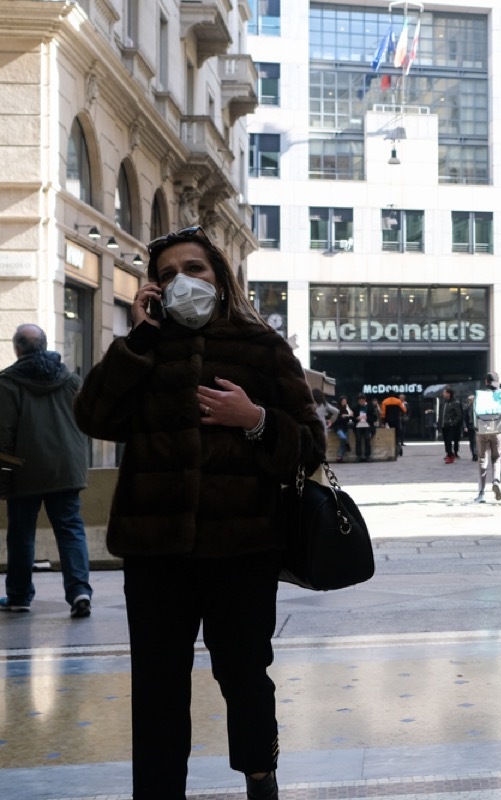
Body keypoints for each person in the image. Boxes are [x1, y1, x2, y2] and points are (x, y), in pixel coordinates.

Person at [73, 225, 325, 800]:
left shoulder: (261, 345)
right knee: (158, 686)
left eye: (195, 268)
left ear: (220, 276)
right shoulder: (145, 346)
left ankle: (260, 774)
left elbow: (311, 444)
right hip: (154, 549)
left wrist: (254, 418)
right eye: (167, 274)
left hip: (244, 550)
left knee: (243, 675)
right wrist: (135, 340)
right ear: (153, 289)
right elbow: (93, 418)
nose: (182, 281)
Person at [0, 324, 93, 617]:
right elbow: (86, 420)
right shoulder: (71, 380)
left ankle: (19, 596)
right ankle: (79, 591)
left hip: (24, 470)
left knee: (21, 533)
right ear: (44, 345)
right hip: (66, 469)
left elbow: (3, 432)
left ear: (17, 349)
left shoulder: (7, 383)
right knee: (70, 529)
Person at [473, 371, 501, 503]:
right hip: (498, 430)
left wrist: (476, 428)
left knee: (482, 459)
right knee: (497, 458)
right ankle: (496, 481)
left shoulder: (480, 394)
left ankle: (481, 493)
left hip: (481, 430)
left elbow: (474, 412)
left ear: (486, 382)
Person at [438, 387, 463, 464]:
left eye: (444, 392)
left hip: (451, 426)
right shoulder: (443, 403)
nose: (443, 394)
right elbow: (441, 414)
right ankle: (449, 454)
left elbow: (459, 415)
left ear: (449, 394)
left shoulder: (455, 403)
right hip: (444, 425)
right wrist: (439, 423)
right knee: (446, 441)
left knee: (449, 440)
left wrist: (453, 422)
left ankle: (450, 455)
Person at [353, 394, 376, 462]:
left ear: (365, 400)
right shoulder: (355, 407)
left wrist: (367, 418)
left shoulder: (370, 407)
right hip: (358, 426)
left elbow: (375, 418)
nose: (361, 402)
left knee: (367, 439)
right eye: (360, 400)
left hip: (368, 426)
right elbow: (351, 417)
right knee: (358, 439)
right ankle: (358, 456)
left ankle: (367, 456)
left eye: (362, 400)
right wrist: (357, 418)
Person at [332, 396, 352, 462]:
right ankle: (347, 442)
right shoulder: (337, 409)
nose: (344, 403)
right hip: (338, 427)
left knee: (342, 443)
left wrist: (347, 416)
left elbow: (349, 418)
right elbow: (334, 420)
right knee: (343, 438)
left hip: (345, 427)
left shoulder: (347, 409)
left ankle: (340, 456)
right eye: (343, 401)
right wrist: (341, 417)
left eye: (345, 401)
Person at [463, 394, 478, 461]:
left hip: (477, 426)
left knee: (476, 441)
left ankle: (476, 454)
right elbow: (464, 418)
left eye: (471, 400)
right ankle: (474, 454)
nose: (470, 401)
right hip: (470, 426)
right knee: (472, 441)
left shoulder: (478, 407)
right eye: (469, 400)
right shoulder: (467, 408)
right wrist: (465, 426)